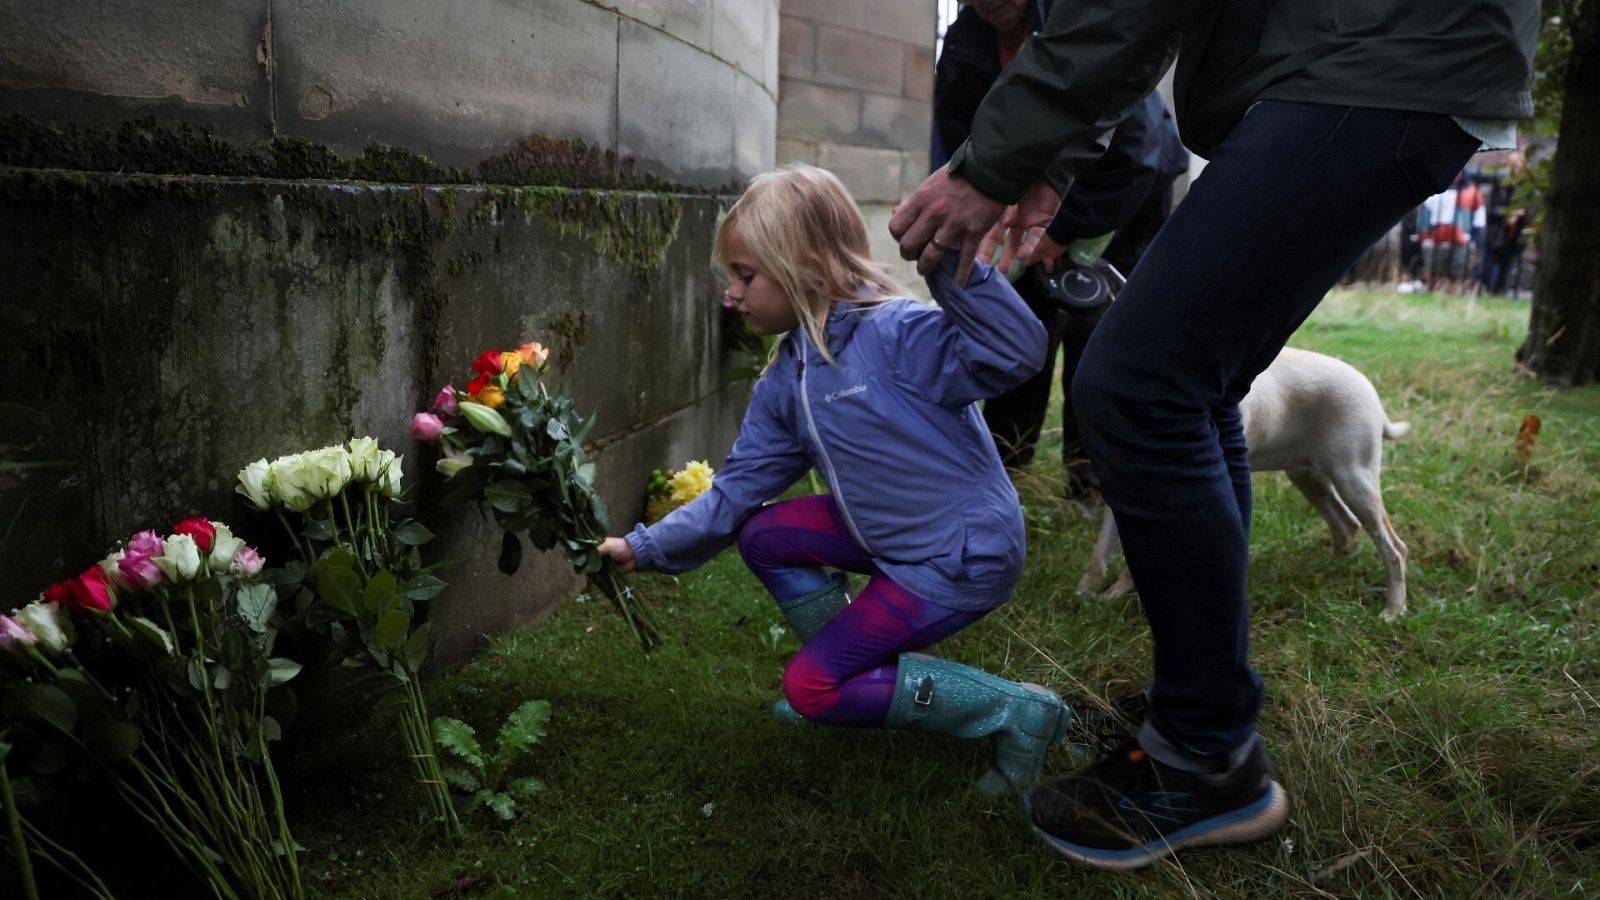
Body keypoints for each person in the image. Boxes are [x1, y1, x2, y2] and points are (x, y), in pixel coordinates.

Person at [889, 0, 1536, 871]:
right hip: (1357, 60)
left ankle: (1205, 755)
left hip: (1374, 61)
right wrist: (1051, 160)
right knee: (1197, 387)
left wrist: (992, 162)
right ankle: (1199, 711)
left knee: (1138, 380)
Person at [597, 164, 1069, 794]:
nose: (730, 295)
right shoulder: (788, 375)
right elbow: (736, 493)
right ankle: (865, 666)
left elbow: (1016, 350)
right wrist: (643, 547)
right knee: (764, 534)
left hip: (958, 557)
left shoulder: (898, 335)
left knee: (813, 689)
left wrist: (946, 261)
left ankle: (1017, 711)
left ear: (810, 269)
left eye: (746, 275)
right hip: (892, 538)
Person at [935, 0, 1189, 496]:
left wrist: (1060, 233)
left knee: (1096, 324)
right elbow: (960, 137)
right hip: (1027, 196)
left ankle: (1089, 470)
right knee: (1022, 317)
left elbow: (1136, 156)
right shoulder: (965, 43)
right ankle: (1006, 458)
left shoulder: (1079, 24)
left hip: (1125, 192)